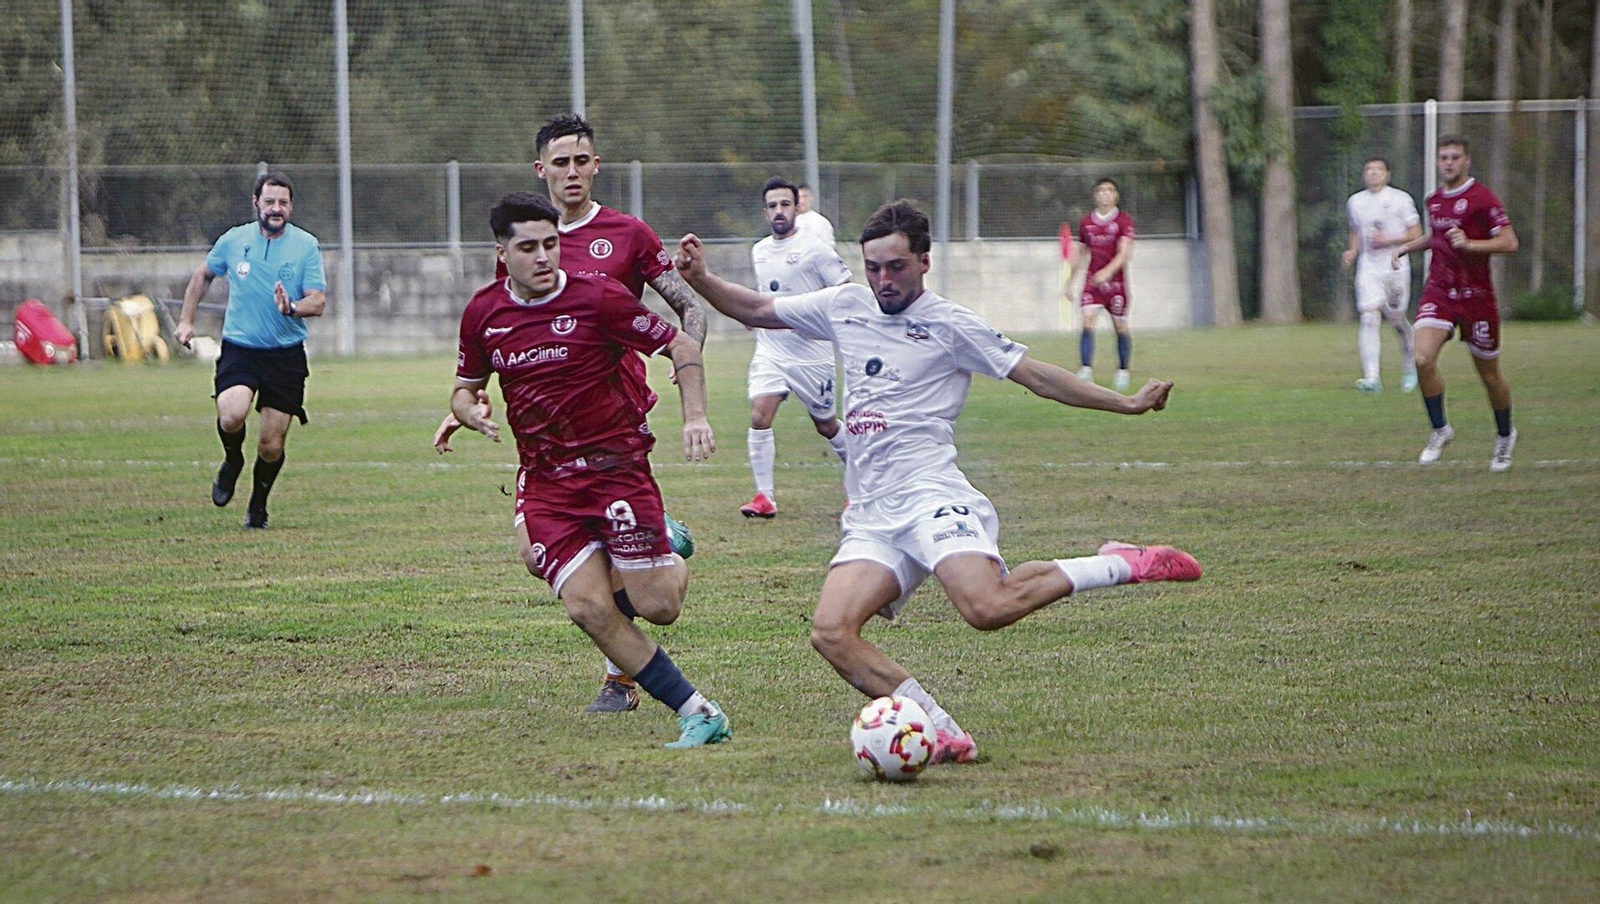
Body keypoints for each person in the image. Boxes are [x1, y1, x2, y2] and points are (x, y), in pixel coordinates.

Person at [675, 200, 1200, 765]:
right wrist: (701, 278)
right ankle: (940, 729)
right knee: (831, 632)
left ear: (924, 262)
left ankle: (1121, 563)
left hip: (930, 494)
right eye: (873, 267)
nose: (883, 279)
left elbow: (1038, 376)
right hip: (873, 511)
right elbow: (756, 308)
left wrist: (1124, 403)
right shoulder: (845, 303)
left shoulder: (951, 323)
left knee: (986, 608)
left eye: (896, 267)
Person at [433, 114, 710, 713]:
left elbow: (688, 311)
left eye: (582, 160)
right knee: (545, 562)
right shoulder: (518, 244)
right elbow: (500, 338)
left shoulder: (628, 234)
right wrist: (464, 406)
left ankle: (622, 676)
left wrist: (686, 366)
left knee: (636, 590)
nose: (573, 171)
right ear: (543, 171)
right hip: (545, 440)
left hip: (616, 422)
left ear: (596, 165)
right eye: (561, 162)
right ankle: (651, 550)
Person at [175, 172, 326, 530]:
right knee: (231, 415)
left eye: (283, 203)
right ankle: (232, 461)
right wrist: (186, 321)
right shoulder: (233, 240)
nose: (276, 209)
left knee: (271, 445)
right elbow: (203, 276)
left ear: (291, 206)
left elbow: (317, 302)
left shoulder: (306, 245)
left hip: (285, 354)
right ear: (255, 202)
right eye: (270, 201)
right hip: (241, 348)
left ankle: (258, 508)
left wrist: (291, 307)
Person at [1390, 135, 1520, 471]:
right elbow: (1438, 236)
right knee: (1421, 358)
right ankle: (1440, 429)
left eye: (1455, 157)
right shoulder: (1434, 200)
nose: (1448, 163)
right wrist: (1407, 247)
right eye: (1443, 157)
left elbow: (1509, 242)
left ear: (1467, 161)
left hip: (1476, 297)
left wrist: (1471, 244)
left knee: (1489, 376)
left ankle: (1505, 436)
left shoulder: (1481, 198)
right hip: (1440, 292)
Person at [739, 176, 853, 519]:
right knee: (760, 414)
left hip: (812, 355)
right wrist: (752, 315)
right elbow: (765, 295)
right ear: (765, 212)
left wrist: (822, 319)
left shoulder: (815, 249)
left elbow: (845, 289)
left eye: (785, 204)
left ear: (797, 208)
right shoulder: (758, 251)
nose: (778, 211)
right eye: (772, 206)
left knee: (826, 424)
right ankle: (764, 497)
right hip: (771, 350)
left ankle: (860, 487)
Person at [1342, 156, 1421, 393]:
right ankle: (1372, 378)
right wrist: (1353, 250)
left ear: (1387, 174)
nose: (1373, 173)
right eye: (1369, 169)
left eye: (1378, 169)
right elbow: (1356, 229)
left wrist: (1389, 240)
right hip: (1369, 268)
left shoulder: (1400, 199)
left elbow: (1416, 233)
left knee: (1397, 320)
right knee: (1369, 316)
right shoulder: (1355, 201)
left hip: (1395, 267)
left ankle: (1410, 367)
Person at [1071, 178, 1136, 390]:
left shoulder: (1124, 221)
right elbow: (1080, 253)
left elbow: (1124, 253)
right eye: (1101, 190)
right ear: (1095, 195)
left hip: (1116, 285)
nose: (1105, 194)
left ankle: (1123, 371)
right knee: (1087, 320)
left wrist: (1107, 273)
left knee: (1120, 326)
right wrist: (1069, 282)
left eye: (1110, 190)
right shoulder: (1086, 223)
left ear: (1116, 195)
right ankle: (1086, 369)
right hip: (1092, 283)